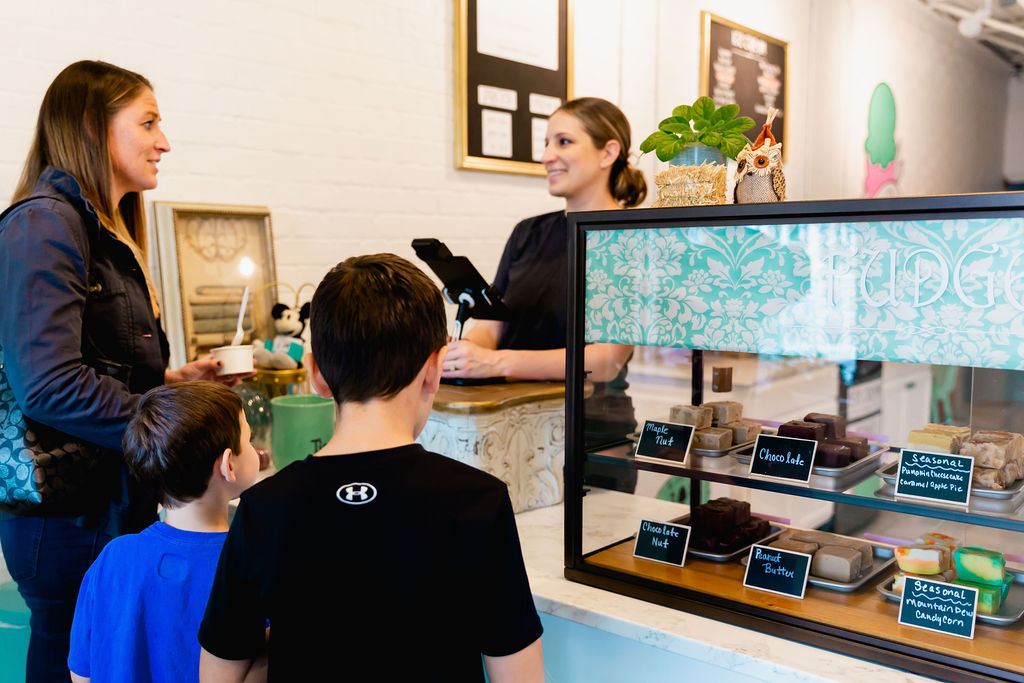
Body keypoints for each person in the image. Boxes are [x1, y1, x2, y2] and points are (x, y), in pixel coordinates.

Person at [0, 60, 250, 683]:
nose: (164, 141)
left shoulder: (98, 228)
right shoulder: (43, 225)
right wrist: (175, 418)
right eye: (148, 122)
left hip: (106, 502)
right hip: (67, 519)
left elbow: (96, 368)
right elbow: (49, 385)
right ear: (91, 126)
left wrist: (176, 384)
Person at [198, 254, 544, 682]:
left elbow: (218, 675)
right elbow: (521, 677)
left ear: (315, 375)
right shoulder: (481, 502)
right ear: (434, 370)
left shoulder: (262, 508)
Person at [441, 97, 645, 467]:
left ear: (608, 152)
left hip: (592, 435)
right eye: (546, 143)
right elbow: (492, 324)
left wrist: (495, 363)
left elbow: (606, 361)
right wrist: (466, 354)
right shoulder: (527, 234)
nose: (548, 155)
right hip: (508, 425)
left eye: (563, 142)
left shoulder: (628, 239)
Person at [68, 381, 263, 683]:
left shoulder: (113, 559)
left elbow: (81, 674)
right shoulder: (249, 563)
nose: (254, 449)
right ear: (228, 466)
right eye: (249, 440)